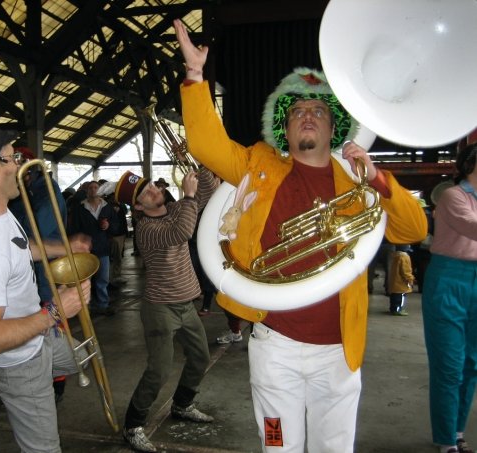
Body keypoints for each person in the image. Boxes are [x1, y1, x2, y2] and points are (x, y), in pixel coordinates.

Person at [174, 19, 427, 453]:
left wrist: (379, 178)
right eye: (297, 113)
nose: (307, 117)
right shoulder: (257, 162)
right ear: (285, 130)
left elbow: (414, 229)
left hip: (339, 350)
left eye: (319, 113)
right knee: (277, 446)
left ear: (333, 130)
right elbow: (207, 145)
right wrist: (196, 78)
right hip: (277, 346)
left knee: (335, 449)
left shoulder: (359, 180)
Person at [0, 106, 91, 453]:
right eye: (11, 159)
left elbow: (19, 248)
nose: (19, 166)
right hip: (18, 363)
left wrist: (61, 247)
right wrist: (55, 313)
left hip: (37, 339)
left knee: (89, 356)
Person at [115, 168, 219, 452]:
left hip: (185, 303)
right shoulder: (147, 229)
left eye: (151, 185)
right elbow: (182, 231)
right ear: (138, 207)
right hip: (160, 308)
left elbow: (209, 194)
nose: (153, 191)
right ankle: (133, 425)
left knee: (200, 357)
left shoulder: (175, 208)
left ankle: (183, 404)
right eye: (145, 194)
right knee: (159, 370)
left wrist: (201, 163)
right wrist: (188, 195)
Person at [422, 143, 477, 453]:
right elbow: (471, 227)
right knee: (450, 365)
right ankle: (445, 441)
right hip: (449, 280)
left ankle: (456, 432)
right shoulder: (453, 196)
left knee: (472, 363)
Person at [7, 146, 73, 404]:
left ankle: (55, 379)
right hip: (27, 264)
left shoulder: (44, 186)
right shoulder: (22, 190)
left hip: (44, 265)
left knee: (50, 317)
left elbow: (40, 226)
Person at [67, 180, 120, 316]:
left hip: (102, 248)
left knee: (103, 279)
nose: (93, 190)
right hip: (85, 250)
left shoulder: (107, 207)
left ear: (100, 190)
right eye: (90, 187)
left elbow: (116, 226)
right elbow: (73, 228)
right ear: (87, 190)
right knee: (86, 280)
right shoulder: (80, 208)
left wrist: (108, 227)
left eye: (96, 187)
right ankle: (85, 307)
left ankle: (103, 304)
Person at [387, 245, 415, 316]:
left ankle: (393, 308)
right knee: (401, 297)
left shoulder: (394, 256)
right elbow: (406, 271)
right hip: (401, 283)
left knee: (394, 296)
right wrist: (410, 279)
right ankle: (398, 310)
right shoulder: (404, 257)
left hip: (394, 281)